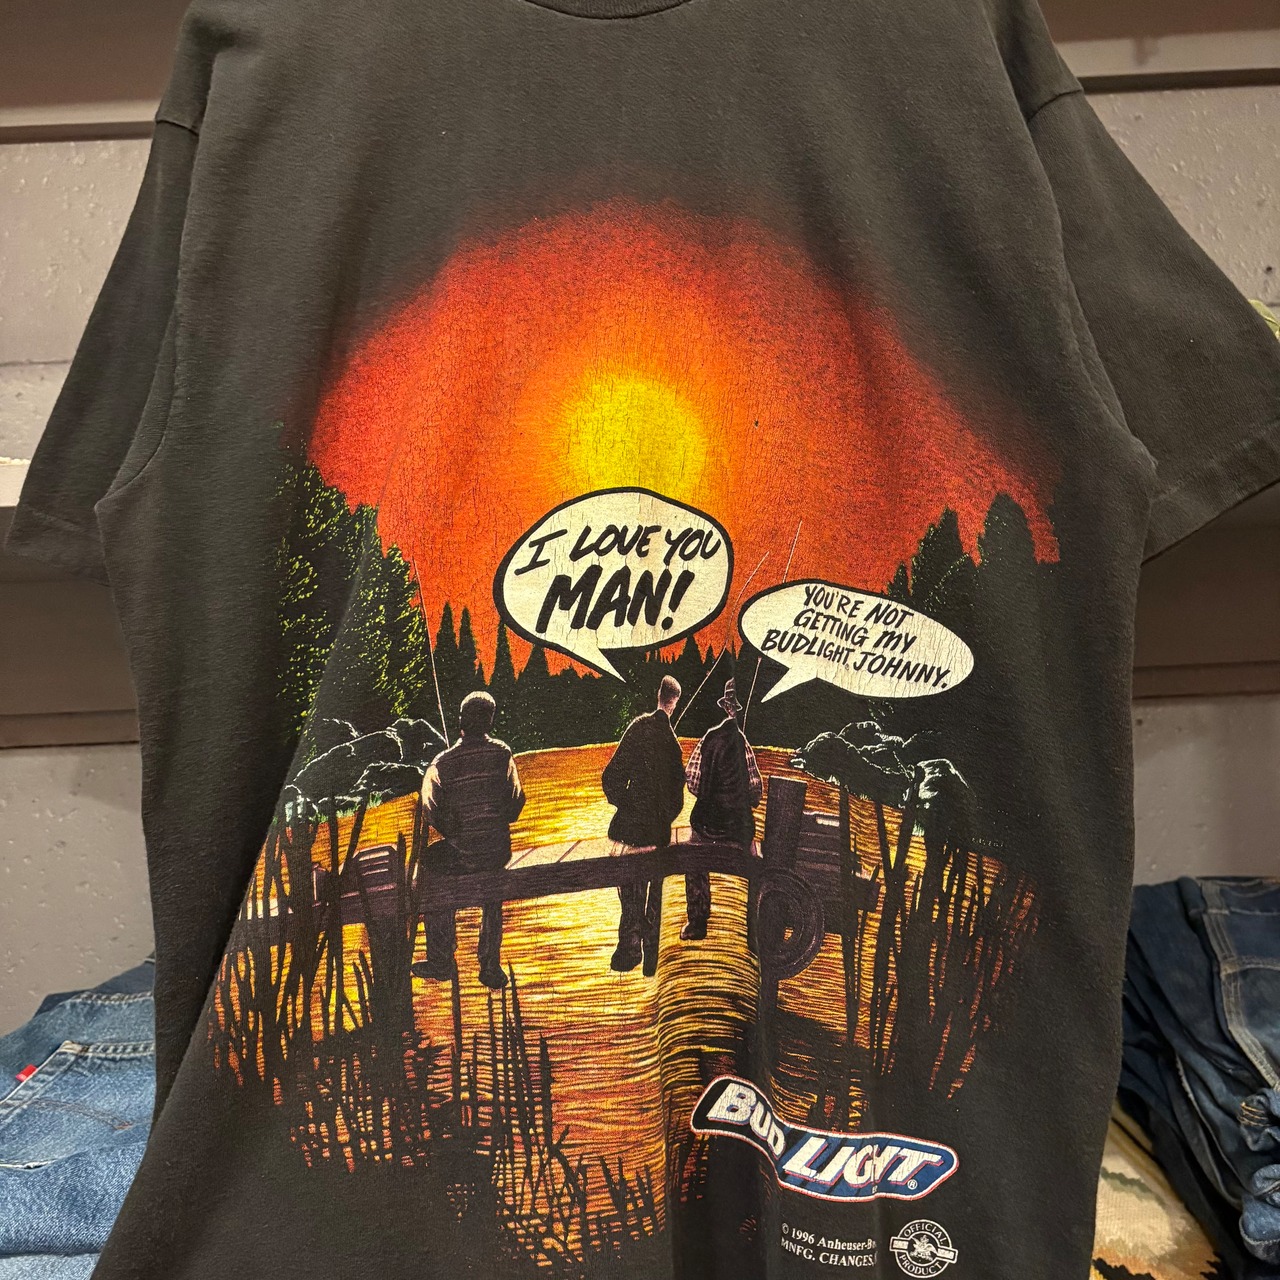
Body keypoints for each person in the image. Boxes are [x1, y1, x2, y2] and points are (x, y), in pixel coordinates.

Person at [412, 691, 525, 990]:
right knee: (492, 887)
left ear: (461, 721)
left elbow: (430, 811)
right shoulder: (503, 754)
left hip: (461, 854)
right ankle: (490, 965)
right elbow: (515, 804)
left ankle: (440, 959)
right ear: (490, 721)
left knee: (430, 869)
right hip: (497, 850)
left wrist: (455, 829)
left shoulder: (441, 763)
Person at [600, 675, 685, 975]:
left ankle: (629, 945)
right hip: (658, 832)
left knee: (629, 884)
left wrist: (627, 805)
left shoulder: (637, 728)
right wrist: (661, 817)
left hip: (630, 829)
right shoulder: (673, 744)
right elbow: (678, 798)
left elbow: (610, 778)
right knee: (654, 889)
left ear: (657, 695)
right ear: (675, 703)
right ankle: (651, 955)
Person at [683, 678, 763, 941]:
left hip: (707, 827)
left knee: (693, 861)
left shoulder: (708, 738)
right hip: (738, 830)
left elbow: (692, 781)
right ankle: (754, 928)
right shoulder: (744, 743)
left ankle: (697, 922)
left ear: (726, 707)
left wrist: (711, 797)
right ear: (736, 709)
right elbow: (756, 790)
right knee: (754, 861)